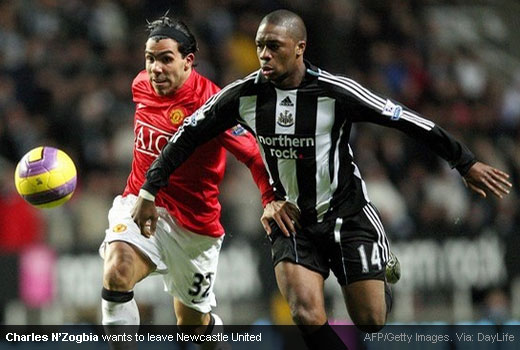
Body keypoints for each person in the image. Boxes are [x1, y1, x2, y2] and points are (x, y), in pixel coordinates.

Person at [131, 9, 512, 350]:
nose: (263, 55)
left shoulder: (335, 92)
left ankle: (379, 270)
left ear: (299, 48)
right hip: (290, 219)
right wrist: (150, 188)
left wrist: (464, 162)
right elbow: (187, 136)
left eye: (274, 47)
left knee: (371, 322)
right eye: (260, 46)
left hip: (346, 214)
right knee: (305, 313)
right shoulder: (243, 95)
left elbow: (404, 119)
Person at [99, 14, 275, 338]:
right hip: (141, 203)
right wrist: (146, 194)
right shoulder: (141, 84)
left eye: (166, 59)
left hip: (194, 227)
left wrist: (270, 200)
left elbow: (252, 154)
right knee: (117, 271)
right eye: (150, 59)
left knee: (192, 327)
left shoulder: (212, 103)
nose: (156, 69)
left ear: (188, 61)